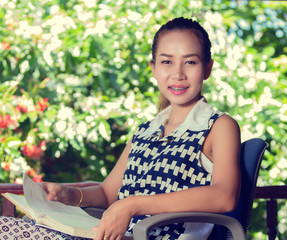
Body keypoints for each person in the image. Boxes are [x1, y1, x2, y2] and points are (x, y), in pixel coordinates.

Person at [0, 17, 241, 240]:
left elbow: (224, 196)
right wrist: (69, 195)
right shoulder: (146, 130)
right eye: (167, 62)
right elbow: (107, 193)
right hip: (118, 234)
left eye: (190, 62)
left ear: (207, 68)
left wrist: (133, 205)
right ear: (154, 68)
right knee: (7, 227)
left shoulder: (218, 126)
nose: (177, 74)